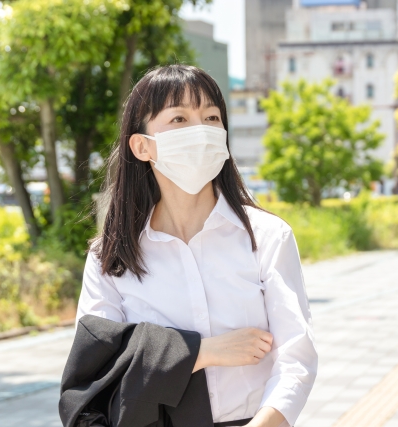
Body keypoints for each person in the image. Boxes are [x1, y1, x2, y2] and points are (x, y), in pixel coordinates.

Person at [76, 65, 317, 427]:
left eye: (211, 116)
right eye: (179, 118)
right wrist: (203, 352)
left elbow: (296, 358)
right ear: (142, 146)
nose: (201, 130)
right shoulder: (109, 256)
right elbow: (99, 366)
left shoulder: (267, 236)